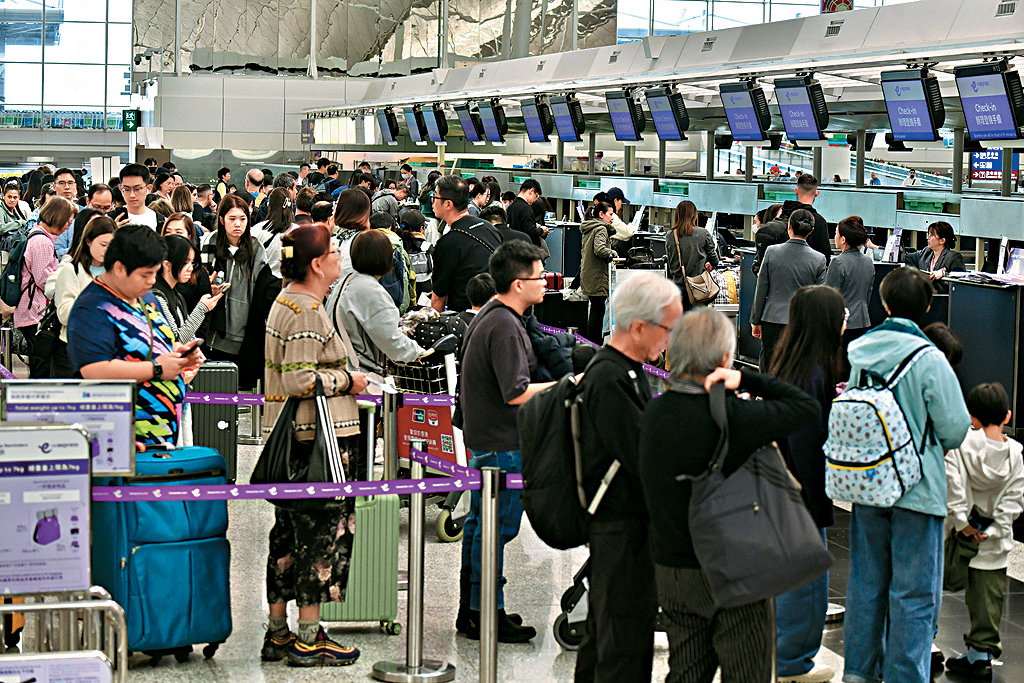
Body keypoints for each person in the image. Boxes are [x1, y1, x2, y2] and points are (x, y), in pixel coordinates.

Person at [639, 307, 819, 683]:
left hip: (672, 569)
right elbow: (805, 408)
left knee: (686, 671)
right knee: (746, 672)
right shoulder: (734, 418)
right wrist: (745, 379)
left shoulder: (653, 415)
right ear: (723, 357)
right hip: (734, 568)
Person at [842, 266, 971, 683]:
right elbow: (953, 430)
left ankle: (859, 673)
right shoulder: (931, 360)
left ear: (884, 303)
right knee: (913, 594)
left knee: (866, 586)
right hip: (918, 489)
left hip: (868, 485)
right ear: (928, 306)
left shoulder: (861, 349)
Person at [261, 222, 367, 668]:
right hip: (317, 442)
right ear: (318, 263)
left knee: (286, 535)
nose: (340, 259)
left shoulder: (286, 300)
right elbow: (300, 378)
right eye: (334, 253)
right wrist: (350, 380)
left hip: (291, 442)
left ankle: (279, 631)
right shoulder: (307, 308)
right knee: (319, 539)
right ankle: (309, 638)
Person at [574, 272, 683, 683]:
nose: (669, 341)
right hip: (620, 526)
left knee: (605, 634)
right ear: (638, 327)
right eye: (667, 329)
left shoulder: (627, 371)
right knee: (623, 641)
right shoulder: (609, 377)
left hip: (630, 524)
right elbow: (641, 454)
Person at [456, 239, 551, 643]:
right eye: (537, 276)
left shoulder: (491, 315)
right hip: (502, 444)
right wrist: (567, 387)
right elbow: (516, 392)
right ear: (517, 284)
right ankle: (484, 612)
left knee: (481, 526)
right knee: (496, 529)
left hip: (485, 440)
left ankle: (475, 608)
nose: (545, 282)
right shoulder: (506, 327)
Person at [769, 286, 847, 683]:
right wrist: (816, 494)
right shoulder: (811, 374)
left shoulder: (792, 364)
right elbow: (805, 442)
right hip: (801, 494)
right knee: (806, 583)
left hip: (784, 492)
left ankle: (791, 658)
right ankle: (793, 663)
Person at [66, 225, 204, 446]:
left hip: (162, 434)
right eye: (145, 274)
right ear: (120, 268)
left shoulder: (146, 298)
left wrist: (177, 353)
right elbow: (94, 370)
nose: (152, 280)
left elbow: (150, 346)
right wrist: (157, 369)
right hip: (122, 440)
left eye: (155, 273)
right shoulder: (92, 308)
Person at [943, 382, 1024, 679]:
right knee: (987, 601)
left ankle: (926, 642)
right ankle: (980, 654)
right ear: (1007, 415)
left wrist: (965, 525)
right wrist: (996, 528)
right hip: (995, 544)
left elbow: (953, 487)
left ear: (972, 417)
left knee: (939, 587)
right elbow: (1015, 499)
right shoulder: (1015, 453)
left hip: (959, 538)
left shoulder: (959, 446)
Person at [200, 193, 278, 390]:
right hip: (214, 333)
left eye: (243, 219)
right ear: (221, 219)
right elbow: (198, 279)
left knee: (239, 392)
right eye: (232, 219)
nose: (238, 224)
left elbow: (264, 287)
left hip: (244, 331)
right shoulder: (209, 242)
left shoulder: (256, 247)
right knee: (213, 392)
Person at [329, 230, 425, 377]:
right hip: (361, 374)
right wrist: (421, 353)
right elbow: (391, 340)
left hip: (340, 366)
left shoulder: (347, 281)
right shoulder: (370, 291)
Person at [750, 209, 827, 373]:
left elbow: (762, 288)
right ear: (811, 230)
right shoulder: (819, 259)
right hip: (802, 322)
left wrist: (756, 320)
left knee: (770, 365)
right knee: (797, 368)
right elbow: (819, 297)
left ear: (789, 226)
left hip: (772, 319)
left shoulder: (772, 252)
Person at [45, 215, 115, 378]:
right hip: (72, 353)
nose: (106, 250)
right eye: (103, 244)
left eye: (111, 245)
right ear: (88, 241)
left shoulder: (115, 271)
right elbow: (64, 315)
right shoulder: (72, 270)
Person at [15, 196, 75, 378]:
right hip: (34, 309)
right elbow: (44, 280)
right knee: (42, 365)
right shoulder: (41, 242)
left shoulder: (40, 236)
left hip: (33, 308)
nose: (68, 226)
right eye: (67, 221)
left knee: (40, 362)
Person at [429, 175, 502, 313]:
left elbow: (438, 297)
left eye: (435, 197)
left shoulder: (447, 243)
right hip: (496, 312)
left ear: (448, 204)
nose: (432, 202)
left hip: (465, 319)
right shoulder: (489, 228)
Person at [827, 216, 875, 371]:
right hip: (863, 321)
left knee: (840, 370)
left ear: (843, 239)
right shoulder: (868, 262)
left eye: (836, 233)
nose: (834, 237)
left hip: (843, 324)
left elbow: (831, 297)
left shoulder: (837, 262)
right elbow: (868, 294)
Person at [665, 199, 721, 310]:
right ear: (694, 215)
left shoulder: (670, 235)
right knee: (696, 322)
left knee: (679, 322)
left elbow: (669, 260)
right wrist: (709, 264)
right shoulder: (703, 233)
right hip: (698, 286)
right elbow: (715, 260)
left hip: (677, 285)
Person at [578, 201, 617, 344]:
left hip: (589, 273)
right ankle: (594, 345)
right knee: (598, 311)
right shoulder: (601, 229)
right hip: (597, 276)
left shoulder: (590, 227)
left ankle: (591, 343)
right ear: (601, 214)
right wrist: (612, 253)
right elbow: (600, 249)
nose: (613, 218)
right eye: (610, 214)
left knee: (595, 309)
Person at [903, 221, 965, 294]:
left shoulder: (954, 257)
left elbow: (960, 281)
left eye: (931, 235)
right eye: (928, 234)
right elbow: (907, 258)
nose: (927, 238)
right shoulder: (926, 252)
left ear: (942, 240)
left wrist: (944, 274)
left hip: (942, 298)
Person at [251, 187, 296, 278]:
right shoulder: (296, 232)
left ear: (269, 206)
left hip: (261, 283)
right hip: (286, 284)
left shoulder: (257, 229)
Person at [114, 164, 161, 231]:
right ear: (121, 190)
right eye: (127, 189)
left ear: (148, 188)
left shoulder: (159, 220)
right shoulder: (110, 219)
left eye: (137, 189)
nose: (132, 195)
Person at [506, 178, 548, 247]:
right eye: (536, 196)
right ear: (531, 191)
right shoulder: (526, 208)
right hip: (526, 248)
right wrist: (541, 230)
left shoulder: (511, 206)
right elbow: (531, 232)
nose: (535, 200)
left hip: (514, 246)